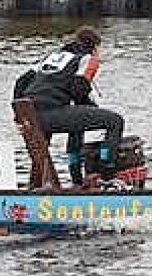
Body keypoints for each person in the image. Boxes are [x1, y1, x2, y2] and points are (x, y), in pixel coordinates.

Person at [13, 26, 125, 186]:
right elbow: (78, 91)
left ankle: (76, 182)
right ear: (94, 47)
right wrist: (92, 106)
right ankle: (106, 173)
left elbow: (21, 82)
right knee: (115, 121)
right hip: (50, 114)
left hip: (31, 115)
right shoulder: (87, 59)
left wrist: (20, 118)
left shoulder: (52, 56)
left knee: (76, 125)